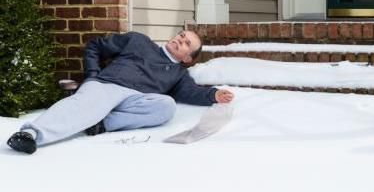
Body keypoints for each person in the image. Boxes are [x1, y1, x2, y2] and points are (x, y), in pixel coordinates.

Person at [6, 31, 234, 154]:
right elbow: (95, 45)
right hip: (108, 85)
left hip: (133, 100)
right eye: (181, 35)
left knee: (167, 107)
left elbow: (190, 92)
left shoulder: (178, 75)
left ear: (187, 59)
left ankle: (100, 124)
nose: (179, 39)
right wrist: (93, 75)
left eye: (185, 43)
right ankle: (30, 135)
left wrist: (212, 95)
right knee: (81, 106)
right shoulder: (138, 41)